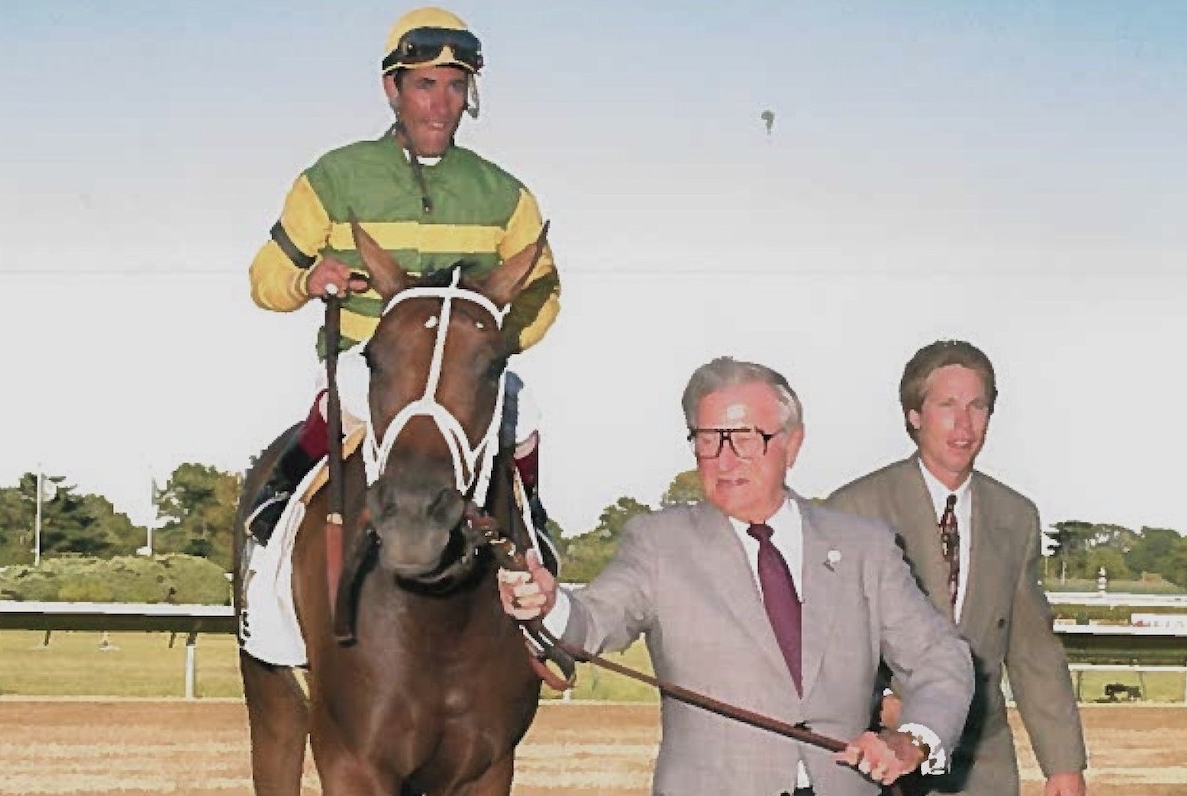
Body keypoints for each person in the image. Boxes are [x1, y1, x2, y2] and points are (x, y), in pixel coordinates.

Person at [500, 357, 974, 796]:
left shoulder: (864, 546)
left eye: (746, 438)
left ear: (792, 443)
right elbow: (592, 620)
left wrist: (911, 741)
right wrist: (548, 605)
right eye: (708, 439)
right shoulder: (657, 543)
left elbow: (941, 659)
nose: (724, 460)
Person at [245, 6, 560, 543]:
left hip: (462, 372)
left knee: (520, 410)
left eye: (456, 87)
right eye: (424, 85)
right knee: (342, 403)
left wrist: (486, 348)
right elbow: (265, 279)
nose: (441, 105)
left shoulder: (507, 194)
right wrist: (308, 280)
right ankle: (277, 504)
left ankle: (531, 526)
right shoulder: (333, 177)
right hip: (370, 358)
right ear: (392, 88)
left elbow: (544, 291)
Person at [827, 340, 1088, 796]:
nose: (964, 424)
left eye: (977, 406)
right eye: (947, 405)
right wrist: (885, 704)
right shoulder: (853, 509)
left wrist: (1063, 766)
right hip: (881, 763)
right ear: (914, 414)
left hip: (982, 768)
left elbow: (1033, 651)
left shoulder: (1016, 517)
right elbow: (827, 646)